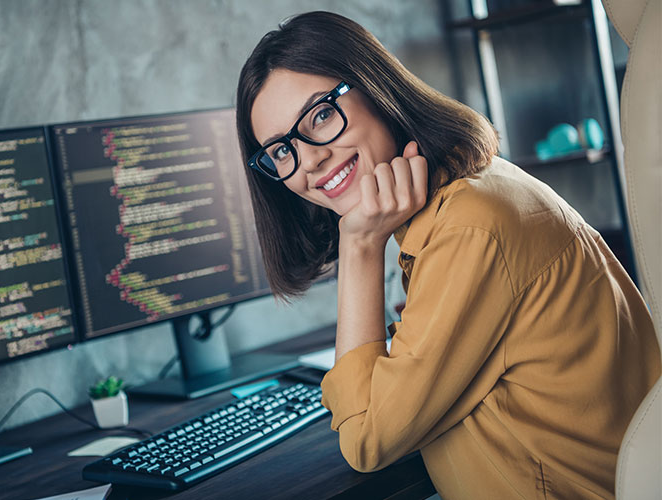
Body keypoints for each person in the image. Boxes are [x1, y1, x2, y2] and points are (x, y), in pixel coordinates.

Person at [235, 11, 660, 499]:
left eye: (322, 115)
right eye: (281, 151)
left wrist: (360, 246)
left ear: (376, 89)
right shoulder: (464, 194)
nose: (308, 159)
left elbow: (365, 439)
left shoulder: (470, 227)